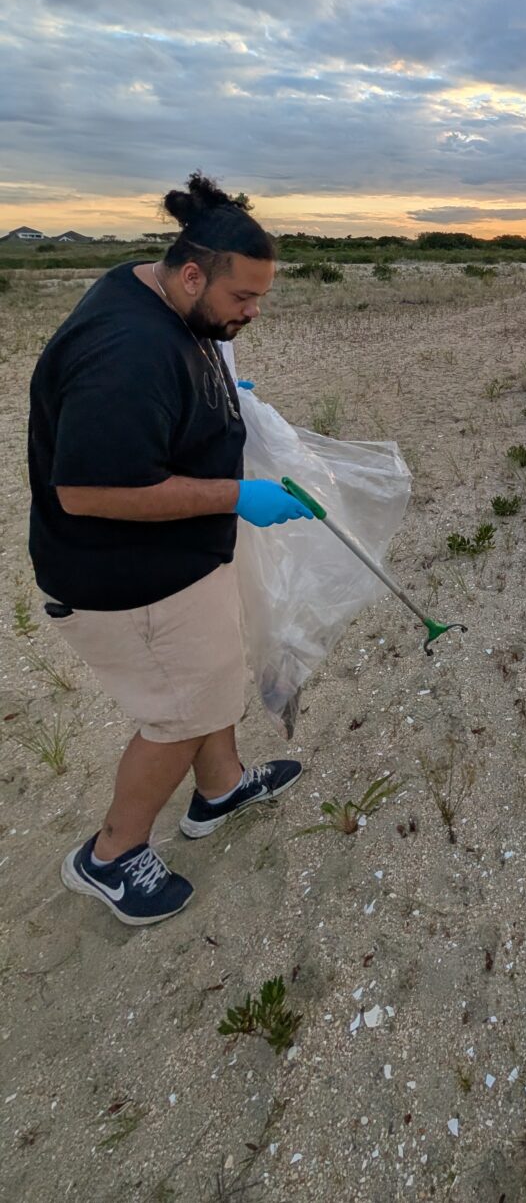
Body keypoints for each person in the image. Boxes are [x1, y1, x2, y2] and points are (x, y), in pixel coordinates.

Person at [28, 172, 315, 925]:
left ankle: (219, 790)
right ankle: (112, 855)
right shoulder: (124, 351)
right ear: (192, 273)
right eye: (241, 300)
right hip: (122, 580)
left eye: (260, 297)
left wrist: (223, 395)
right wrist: (234, 497)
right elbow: (85, 491)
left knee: (212, 673)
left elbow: (182, 380)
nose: (252, 313)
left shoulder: (160, 295)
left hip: (179, 563)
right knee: (179, 711)